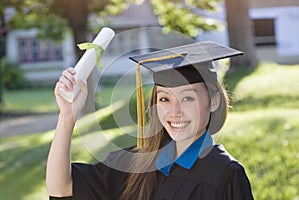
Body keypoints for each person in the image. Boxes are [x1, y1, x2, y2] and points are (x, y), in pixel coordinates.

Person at [46, 41, 254, 200]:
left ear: (214, 101)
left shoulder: (226, 175)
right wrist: (67, 115)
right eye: (164, 98)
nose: (175, 111)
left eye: (187, 98)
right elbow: (61, 187)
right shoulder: (138, 163)